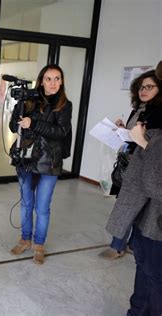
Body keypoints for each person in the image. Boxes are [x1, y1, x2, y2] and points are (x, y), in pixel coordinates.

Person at [9, 64, 72, 265]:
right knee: (26, 204)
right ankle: (25, 239)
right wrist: (20, 105)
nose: (53, 83)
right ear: (41, 80)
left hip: (49, 162)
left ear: (61, 81)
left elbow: (60, 132)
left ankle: (39, 245)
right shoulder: (29, 100)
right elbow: (13, 126)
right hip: (27, 159)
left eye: (57, 78)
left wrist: (34, 124)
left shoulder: (65, 105)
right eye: (48, 79)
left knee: (42, 207)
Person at [99, 68, 162, 260]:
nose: (144, 90)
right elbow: (133, 137)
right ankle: (121, 244)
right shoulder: (139, 109)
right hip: (130, 164)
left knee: (140, 209)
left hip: (148, 169)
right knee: (127, 205)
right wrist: (121, 130)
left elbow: (151, 143)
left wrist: (139, 140)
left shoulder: (158, 113)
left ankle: (125, 244)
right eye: (141, 87)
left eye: (149, 87)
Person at [106, 124, 162, 315]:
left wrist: (145, 144)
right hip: (143, 214)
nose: (144, 91)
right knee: (142, 267)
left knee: (155, 276)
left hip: (157, 222)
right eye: (140, 90)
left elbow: (156, 184)